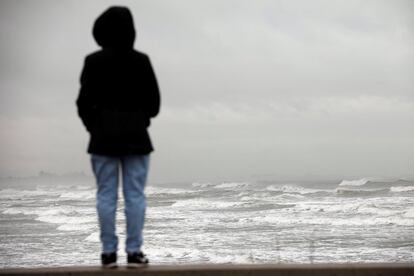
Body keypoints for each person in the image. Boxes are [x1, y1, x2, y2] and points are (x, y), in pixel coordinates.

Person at [76, 6, 160, 268]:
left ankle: (108, 253)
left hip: (102, 139)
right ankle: (134, 253)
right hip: (136, 137)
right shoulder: (141, 61)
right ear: (131, 30)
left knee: (106, 195)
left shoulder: (93, 61)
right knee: (135, 195)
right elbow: (154, 105)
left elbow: (82, 103)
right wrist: (140, 118)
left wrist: (95, 126)